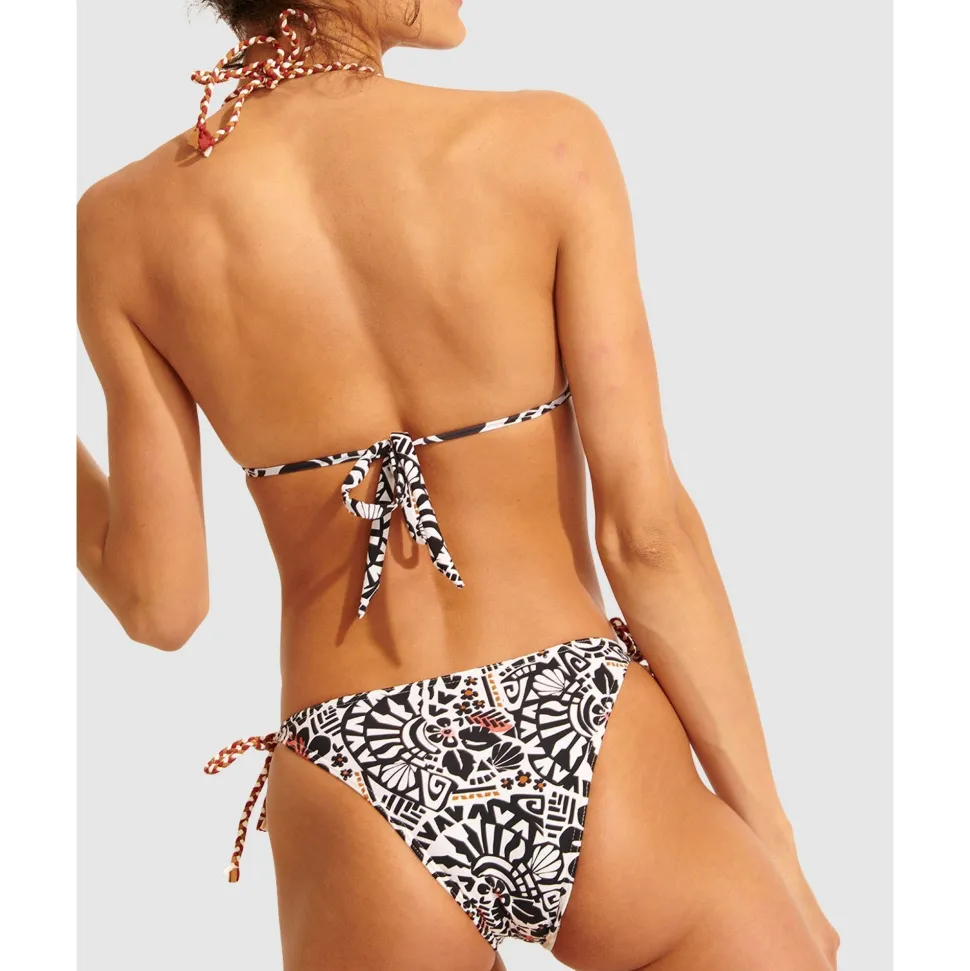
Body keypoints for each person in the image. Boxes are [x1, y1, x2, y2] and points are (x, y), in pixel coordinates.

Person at [76, 2, 839, 969]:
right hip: (586, 723)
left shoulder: (119, 226)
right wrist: (774, 845)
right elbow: (646, 538)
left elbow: (162, 605)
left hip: (355, 771)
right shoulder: (545, 144)